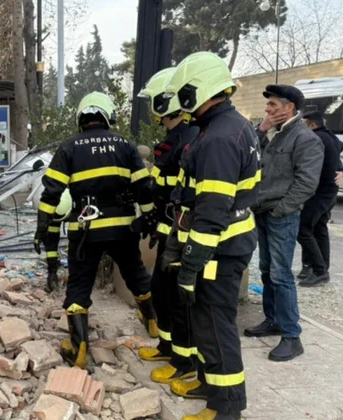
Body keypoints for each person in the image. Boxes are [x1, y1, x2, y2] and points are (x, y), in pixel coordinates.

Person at [161, 51, 260, 420]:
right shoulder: (225, 127)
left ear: (197, 90)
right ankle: (209, 383)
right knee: (204, 321)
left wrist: (190, 266)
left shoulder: (219, 138)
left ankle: (226, 408)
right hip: (221, 247)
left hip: (220, 249)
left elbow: (213, 212)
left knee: (216, 326)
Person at [34, 92, 157, 372]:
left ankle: (78, 349)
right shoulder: (124, 145)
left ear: (81, 118)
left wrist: (42, 226)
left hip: (85, 229)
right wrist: (149, 218)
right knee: (136, 274)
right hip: (122, 226)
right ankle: (151, 321)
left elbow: (51, 191)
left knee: (79, 285)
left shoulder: (69, 147)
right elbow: (143, 186)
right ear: (107, 116)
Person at [244, 85, 324, 363]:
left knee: (281, 275)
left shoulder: (304, 138)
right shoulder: (275, 134)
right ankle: (273, 320)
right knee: (267, 270)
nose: (268, 109)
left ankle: (292, 336)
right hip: (263, 211)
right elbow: (250, 153)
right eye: (268, 106)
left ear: (289, 107)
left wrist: (280, 210)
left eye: (273, 106)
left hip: (280, 215)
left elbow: (307, 183)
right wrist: (261, 128)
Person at [134, 67, 201, 387]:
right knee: (161, 292)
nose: (150, 109)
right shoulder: (175, 138)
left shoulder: (187, 140)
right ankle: (166, 346)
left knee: (175, 298)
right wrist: (150, 219)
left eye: (153, 102)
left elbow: (177, 193)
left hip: (182, 234)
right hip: (169, 229)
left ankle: (183, 361)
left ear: (166, 102)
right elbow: (161, 188)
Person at [296, 111, 343, 287]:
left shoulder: (316, 138)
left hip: (319, 192)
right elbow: (341, 146)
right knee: (319, 228)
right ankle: (322, 267)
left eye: (303, 124)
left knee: (303, 230)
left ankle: (318, 271)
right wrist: (339, 167)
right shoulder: (329, 136)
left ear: (312, 125)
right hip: (330, 191)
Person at [35, 189, 72, 293]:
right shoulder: (51, 207)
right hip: (55, 214)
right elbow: (51, 243)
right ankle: (53, 276)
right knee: (50, 239)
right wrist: (52, 271)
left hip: (78, 218)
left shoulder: (79, 207)